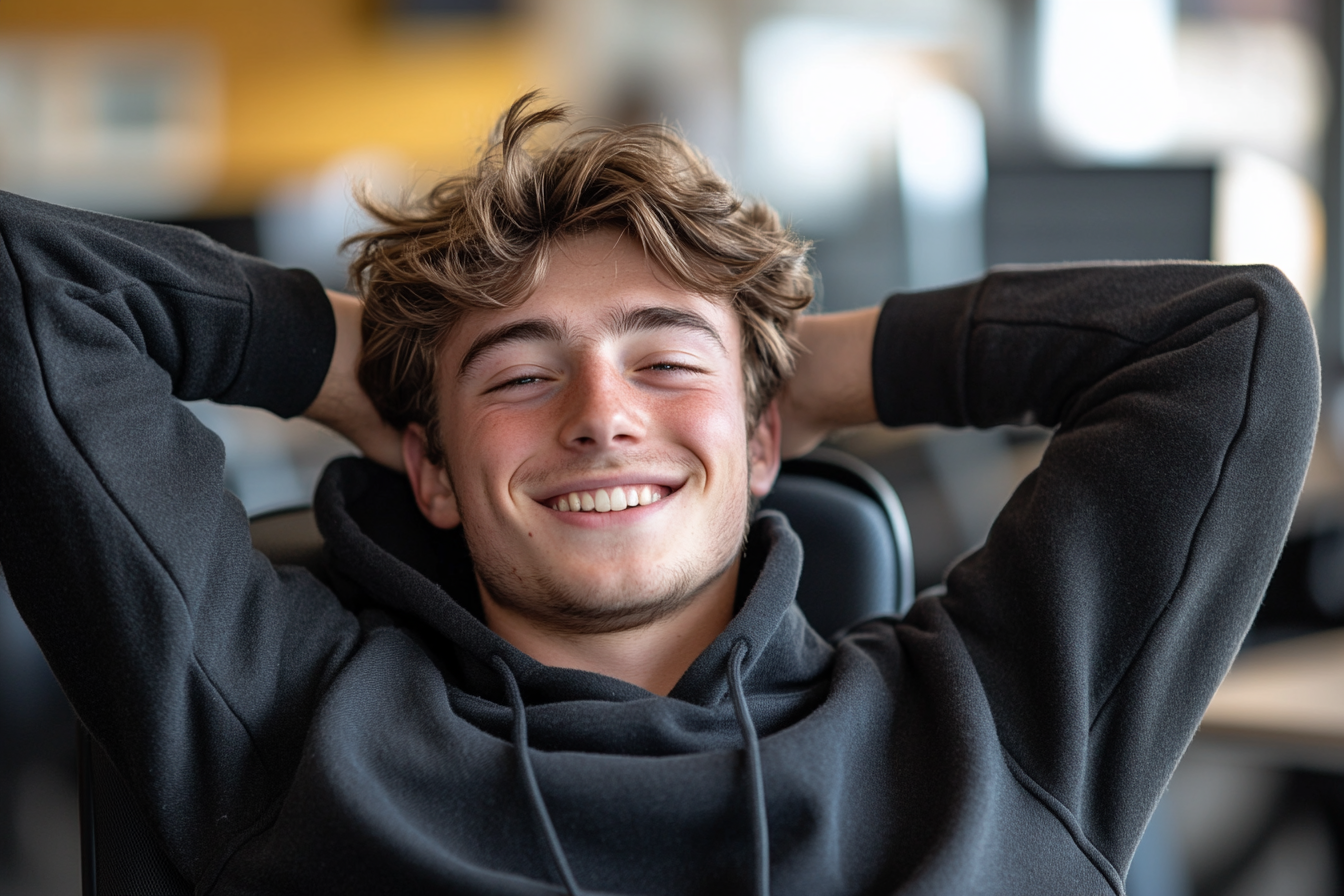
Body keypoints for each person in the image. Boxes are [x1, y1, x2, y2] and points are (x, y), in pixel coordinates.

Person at [0, 94, 1319, 895]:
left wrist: (811, 369)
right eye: (522, 379)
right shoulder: (280, 721)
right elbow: (29, 279)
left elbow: (1233, 338)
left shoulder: (990, 719)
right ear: (429, 474)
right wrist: (360, 367)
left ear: (764, 441)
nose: (602, 414)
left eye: (663, 363)